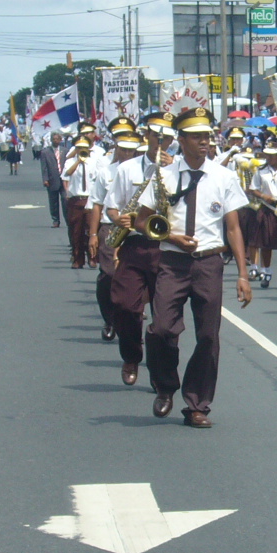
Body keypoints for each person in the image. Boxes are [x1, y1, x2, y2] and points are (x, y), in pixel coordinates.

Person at [138, 109, 252, 427]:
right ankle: (165, 386)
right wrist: (170, 235)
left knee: (208, 336)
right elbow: (141, 219)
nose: (205, 141)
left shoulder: (224, 176)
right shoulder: (164, 175)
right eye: (197, 136)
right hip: (172, 261)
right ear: (181, 139)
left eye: (207, 135)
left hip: (209, 262)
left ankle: (197, 404)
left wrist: (243, 274)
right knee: (161, 329)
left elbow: (233, 228)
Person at [106, 114, 171, 387]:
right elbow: (112, 204)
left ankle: (160, 372)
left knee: (164, 317)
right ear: (148, 137)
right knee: (124, 304)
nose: (163, 143)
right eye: (158, 137)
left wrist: (169, 172)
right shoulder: (127, 168)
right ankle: (131, 356)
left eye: (168, 138)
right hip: (134, 243)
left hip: (166, 246)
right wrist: (117, 218)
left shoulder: (178, 168)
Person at [87, 126, 140, 340]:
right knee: (109, 275)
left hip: (137, 228)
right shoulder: (105, 172)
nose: (127, 153)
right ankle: (110, 319)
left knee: (135, 277)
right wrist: (92, 235)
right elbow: (97, 204)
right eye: (123, 149)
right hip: (111, 226)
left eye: (131, 150)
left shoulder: (143, 170)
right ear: (116, 147)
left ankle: (131, 320)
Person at [249, 144, 277, 289]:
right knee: (265, 243)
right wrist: (263, 195)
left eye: (271, 155)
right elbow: (253, 188)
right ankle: (267, 271)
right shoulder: (261, 171)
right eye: (267, 155)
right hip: (268, 208)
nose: (268, 158)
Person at [61, 137, 95, 269]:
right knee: (76, 231)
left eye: (84, 148)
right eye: (79, 148)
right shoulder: (70, 162)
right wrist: (78, 162)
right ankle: (77, 259)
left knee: (90, 229)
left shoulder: (93, 162)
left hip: (89, 199)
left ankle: (92, 257)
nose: (82, 150)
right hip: (76, 199)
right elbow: (67, 174)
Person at [39, 132, 65, 228]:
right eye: (53, 139)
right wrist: (45, 179)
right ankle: (55, 220)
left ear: (60, 140)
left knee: (65, 200)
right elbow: (44, 167)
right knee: (53, 201)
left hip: (64, 180)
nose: (55, 141)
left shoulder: (65, 151)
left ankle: (67, 219)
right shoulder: (45, 152)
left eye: (57, 139)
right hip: (52, 179)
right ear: (51, 140)